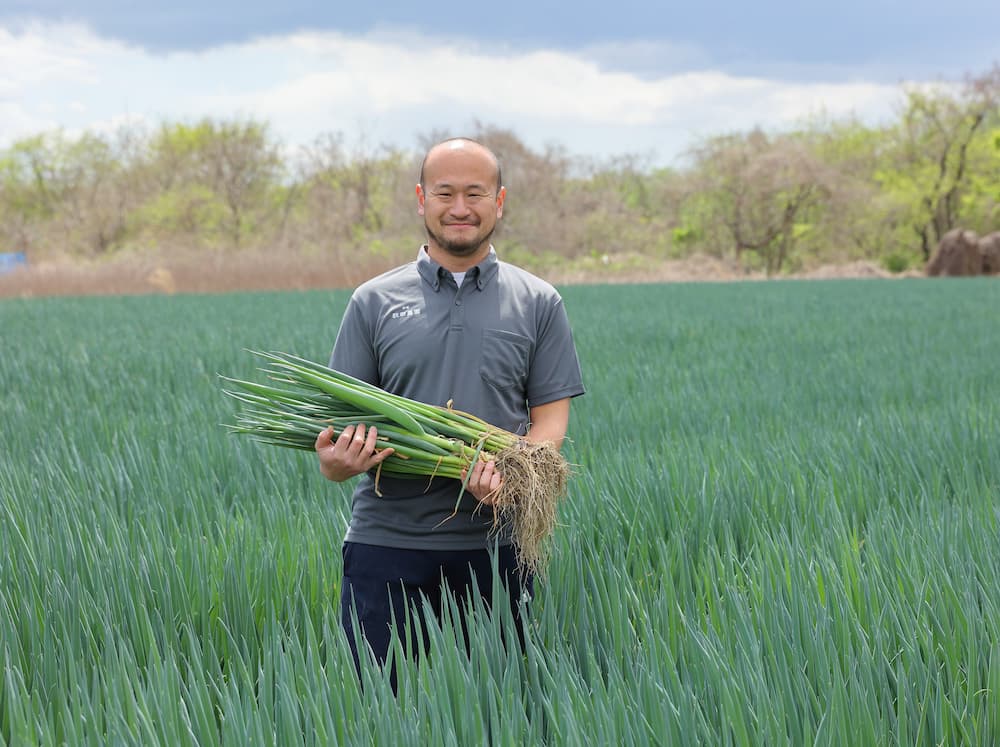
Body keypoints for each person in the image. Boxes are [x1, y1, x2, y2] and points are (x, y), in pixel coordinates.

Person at [313, 137, 585, 685]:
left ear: (499, 201)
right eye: (445, 192)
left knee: (495, 713)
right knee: (379, 712)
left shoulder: (539, 301)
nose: (460, 207)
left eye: (475, 193)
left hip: (498, 549)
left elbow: (549, 420)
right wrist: (337, 463)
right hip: (385, 545)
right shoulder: (373, 300)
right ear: (421, 199)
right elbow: (339, 431)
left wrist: (517, 477)